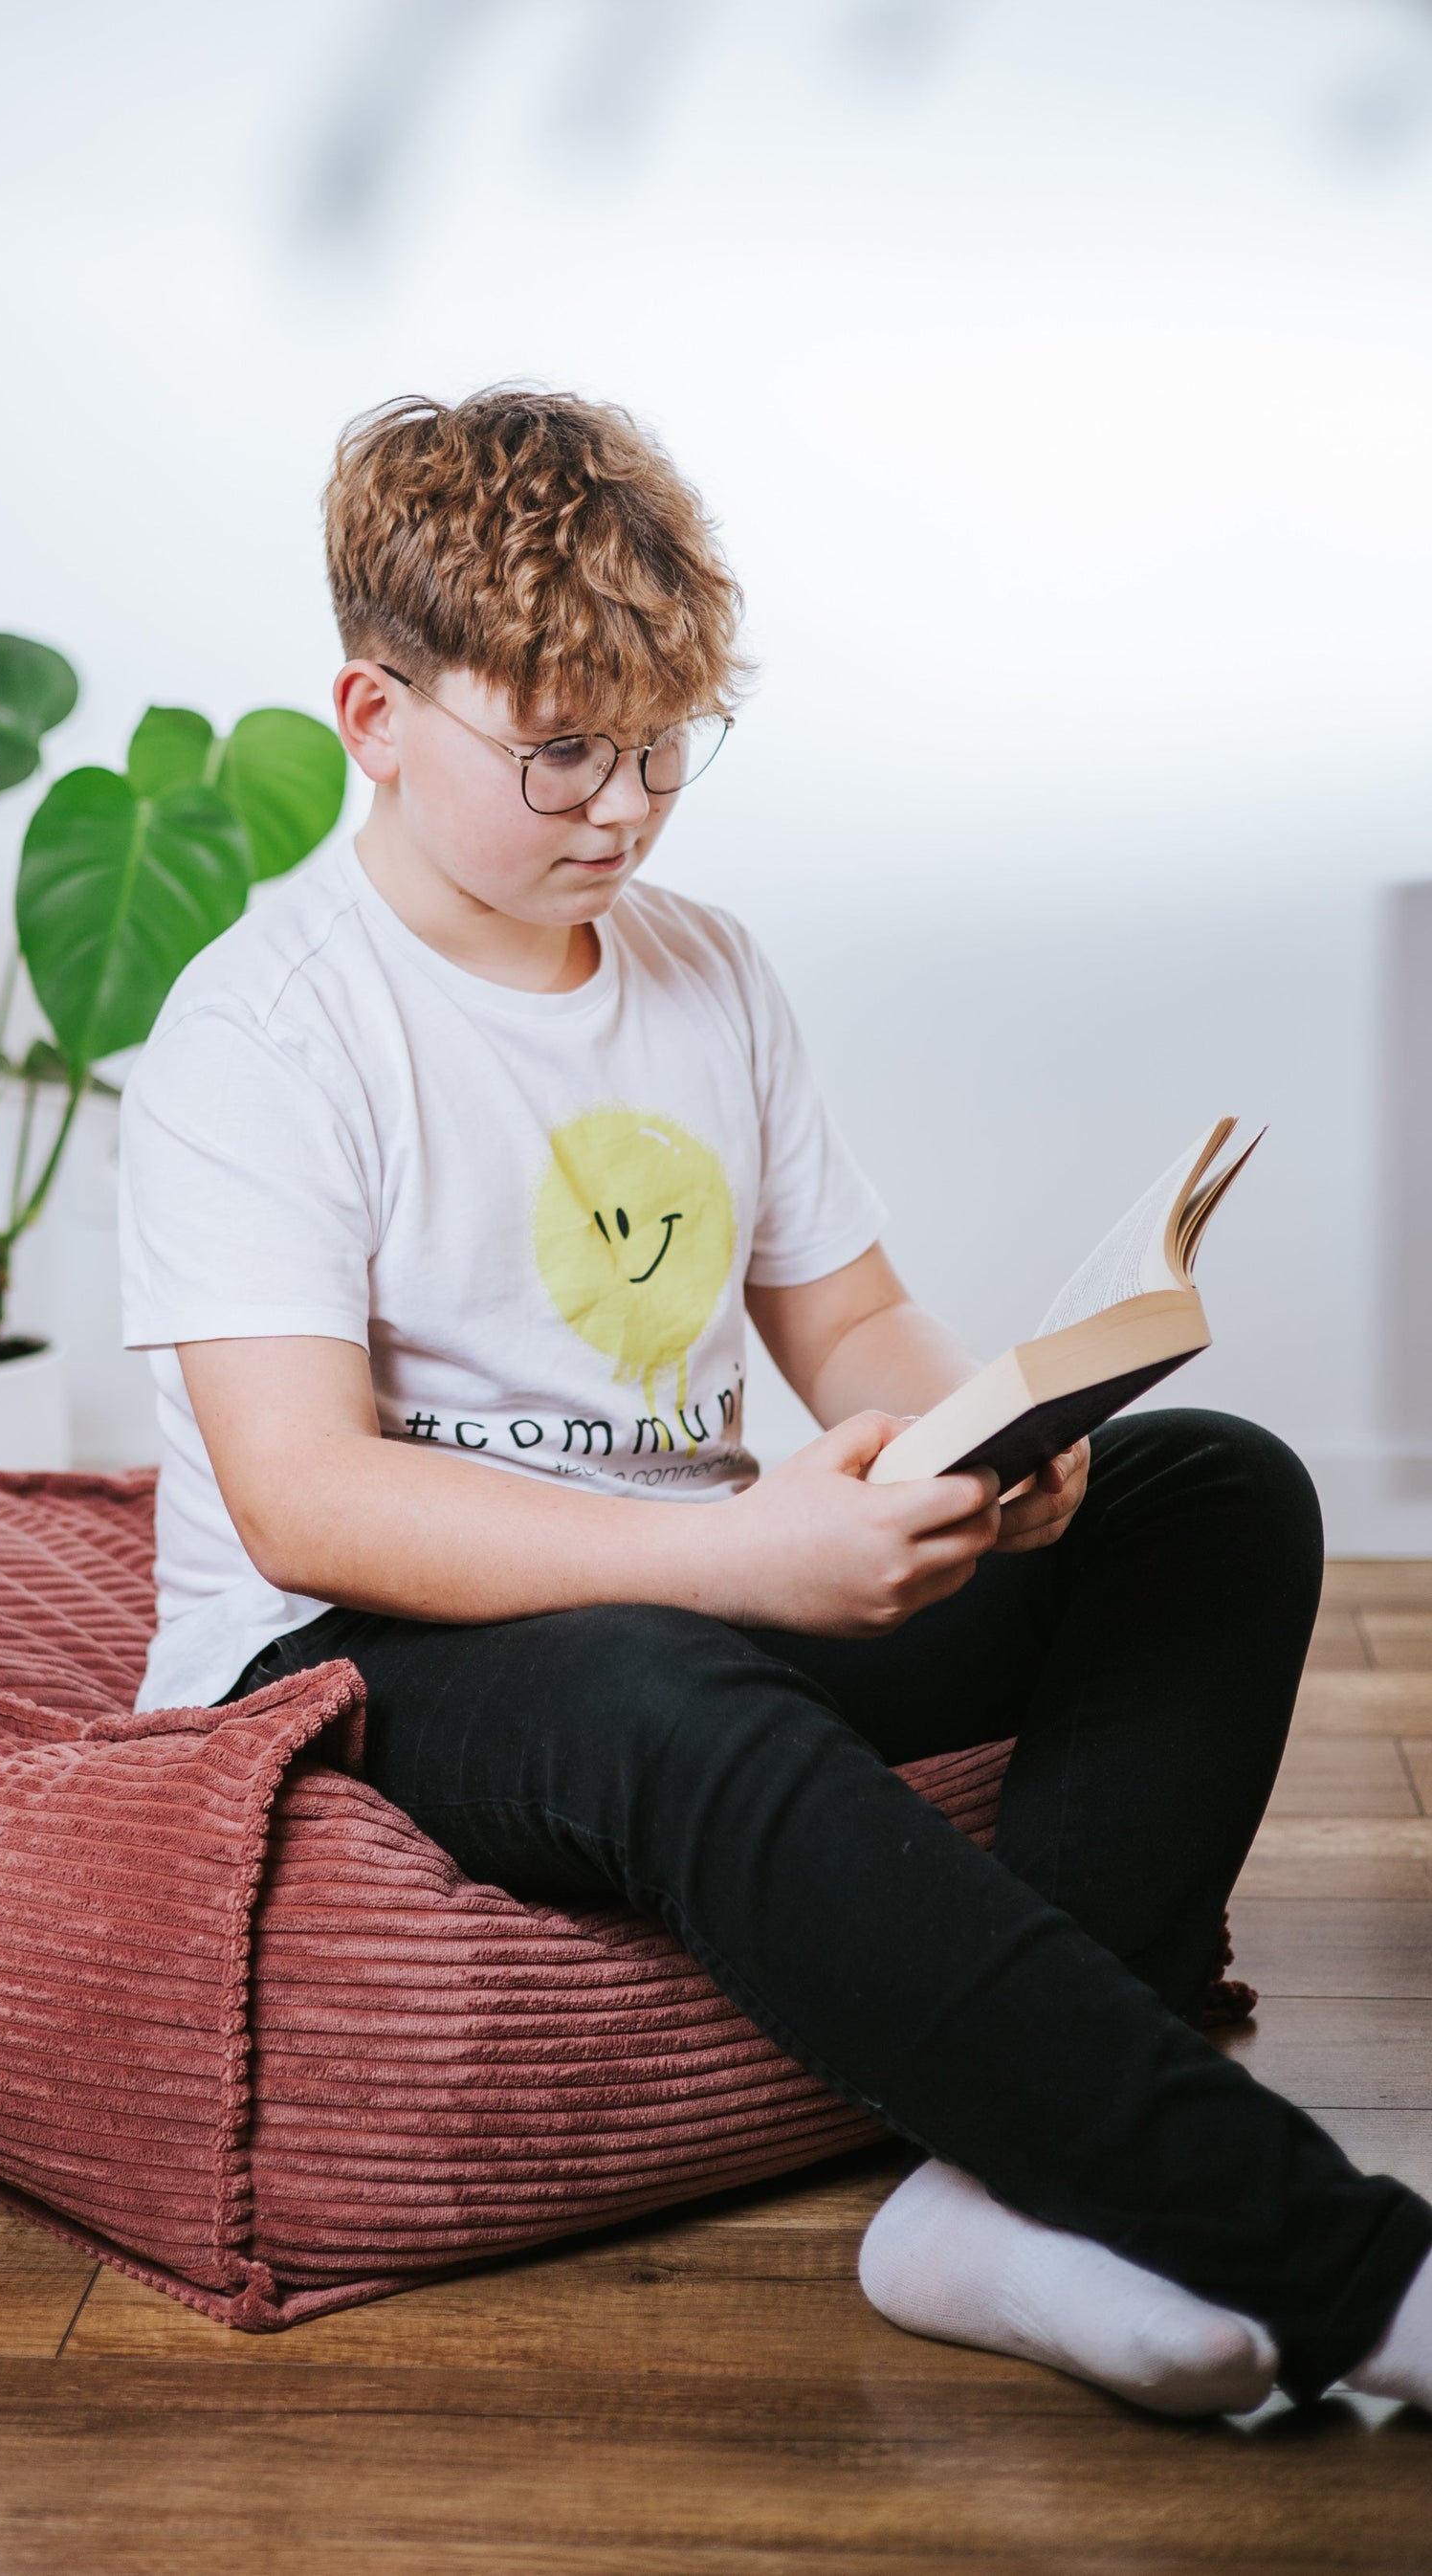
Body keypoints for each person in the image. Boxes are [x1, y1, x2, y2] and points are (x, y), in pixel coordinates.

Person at [118, 385, 1432, 2416]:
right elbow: (300, 1500)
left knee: (1218, 1494)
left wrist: (1002, 1435)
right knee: (664, 1687)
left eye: (658, 748)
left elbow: (856, 1324)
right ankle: (1340, 2265)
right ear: (372, 715)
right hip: (369, 1653)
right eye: (557, 751)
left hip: (702, 1590)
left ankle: (988, 2193)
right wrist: (734, 1558)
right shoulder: (262, 1025)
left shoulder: (700, 969)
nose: (619, 808)